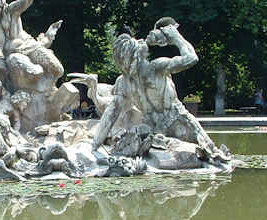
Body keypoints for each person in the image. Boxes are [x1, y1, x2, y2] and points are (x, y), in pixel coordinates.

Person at [92, 17, 228, 163]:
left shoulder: (135, 77)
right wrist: (176, 37)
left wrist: (95, 146)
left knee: (213, 157)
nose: (141, 41)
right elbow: (191, 58)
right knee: (212, 158)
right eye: (136, 43)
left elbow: (111, 114)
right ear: (136, 54)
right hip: (168, 126)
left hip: (166, 125)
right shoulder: (152, 70)